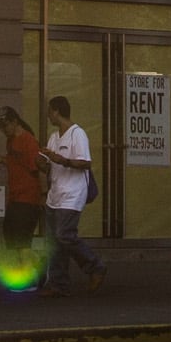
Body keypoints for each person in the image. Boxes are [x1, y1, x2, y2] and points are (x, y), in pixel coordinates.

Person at [41, 96, 103, 295]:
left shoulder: (78, 134)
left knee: (64, 235)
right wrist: (41, 161)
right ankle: (59, 284)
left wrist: (62, 160)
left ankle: (94, 266)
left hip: (72, 194)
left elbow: (85, 163)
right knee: (53, 240)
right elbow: (48, 164)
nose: (48, 115)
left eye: (50, 111)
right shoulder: (53, 137)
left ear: (57, 111)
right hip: (55, 194)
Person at [0, 106, 46, 277]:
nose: (3, 130)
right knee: (13, 237)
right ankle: (37, 263)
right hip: (15, 196)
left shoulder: (28, 140)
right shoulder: (11, 141)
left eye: (5, 126)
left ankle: (28, 275)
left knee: (21, 240)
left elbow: (37, 168)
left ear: (15, 122)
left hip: (28, 197)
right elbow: (14, 162)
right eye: (0, 127)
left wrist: (43, 195)